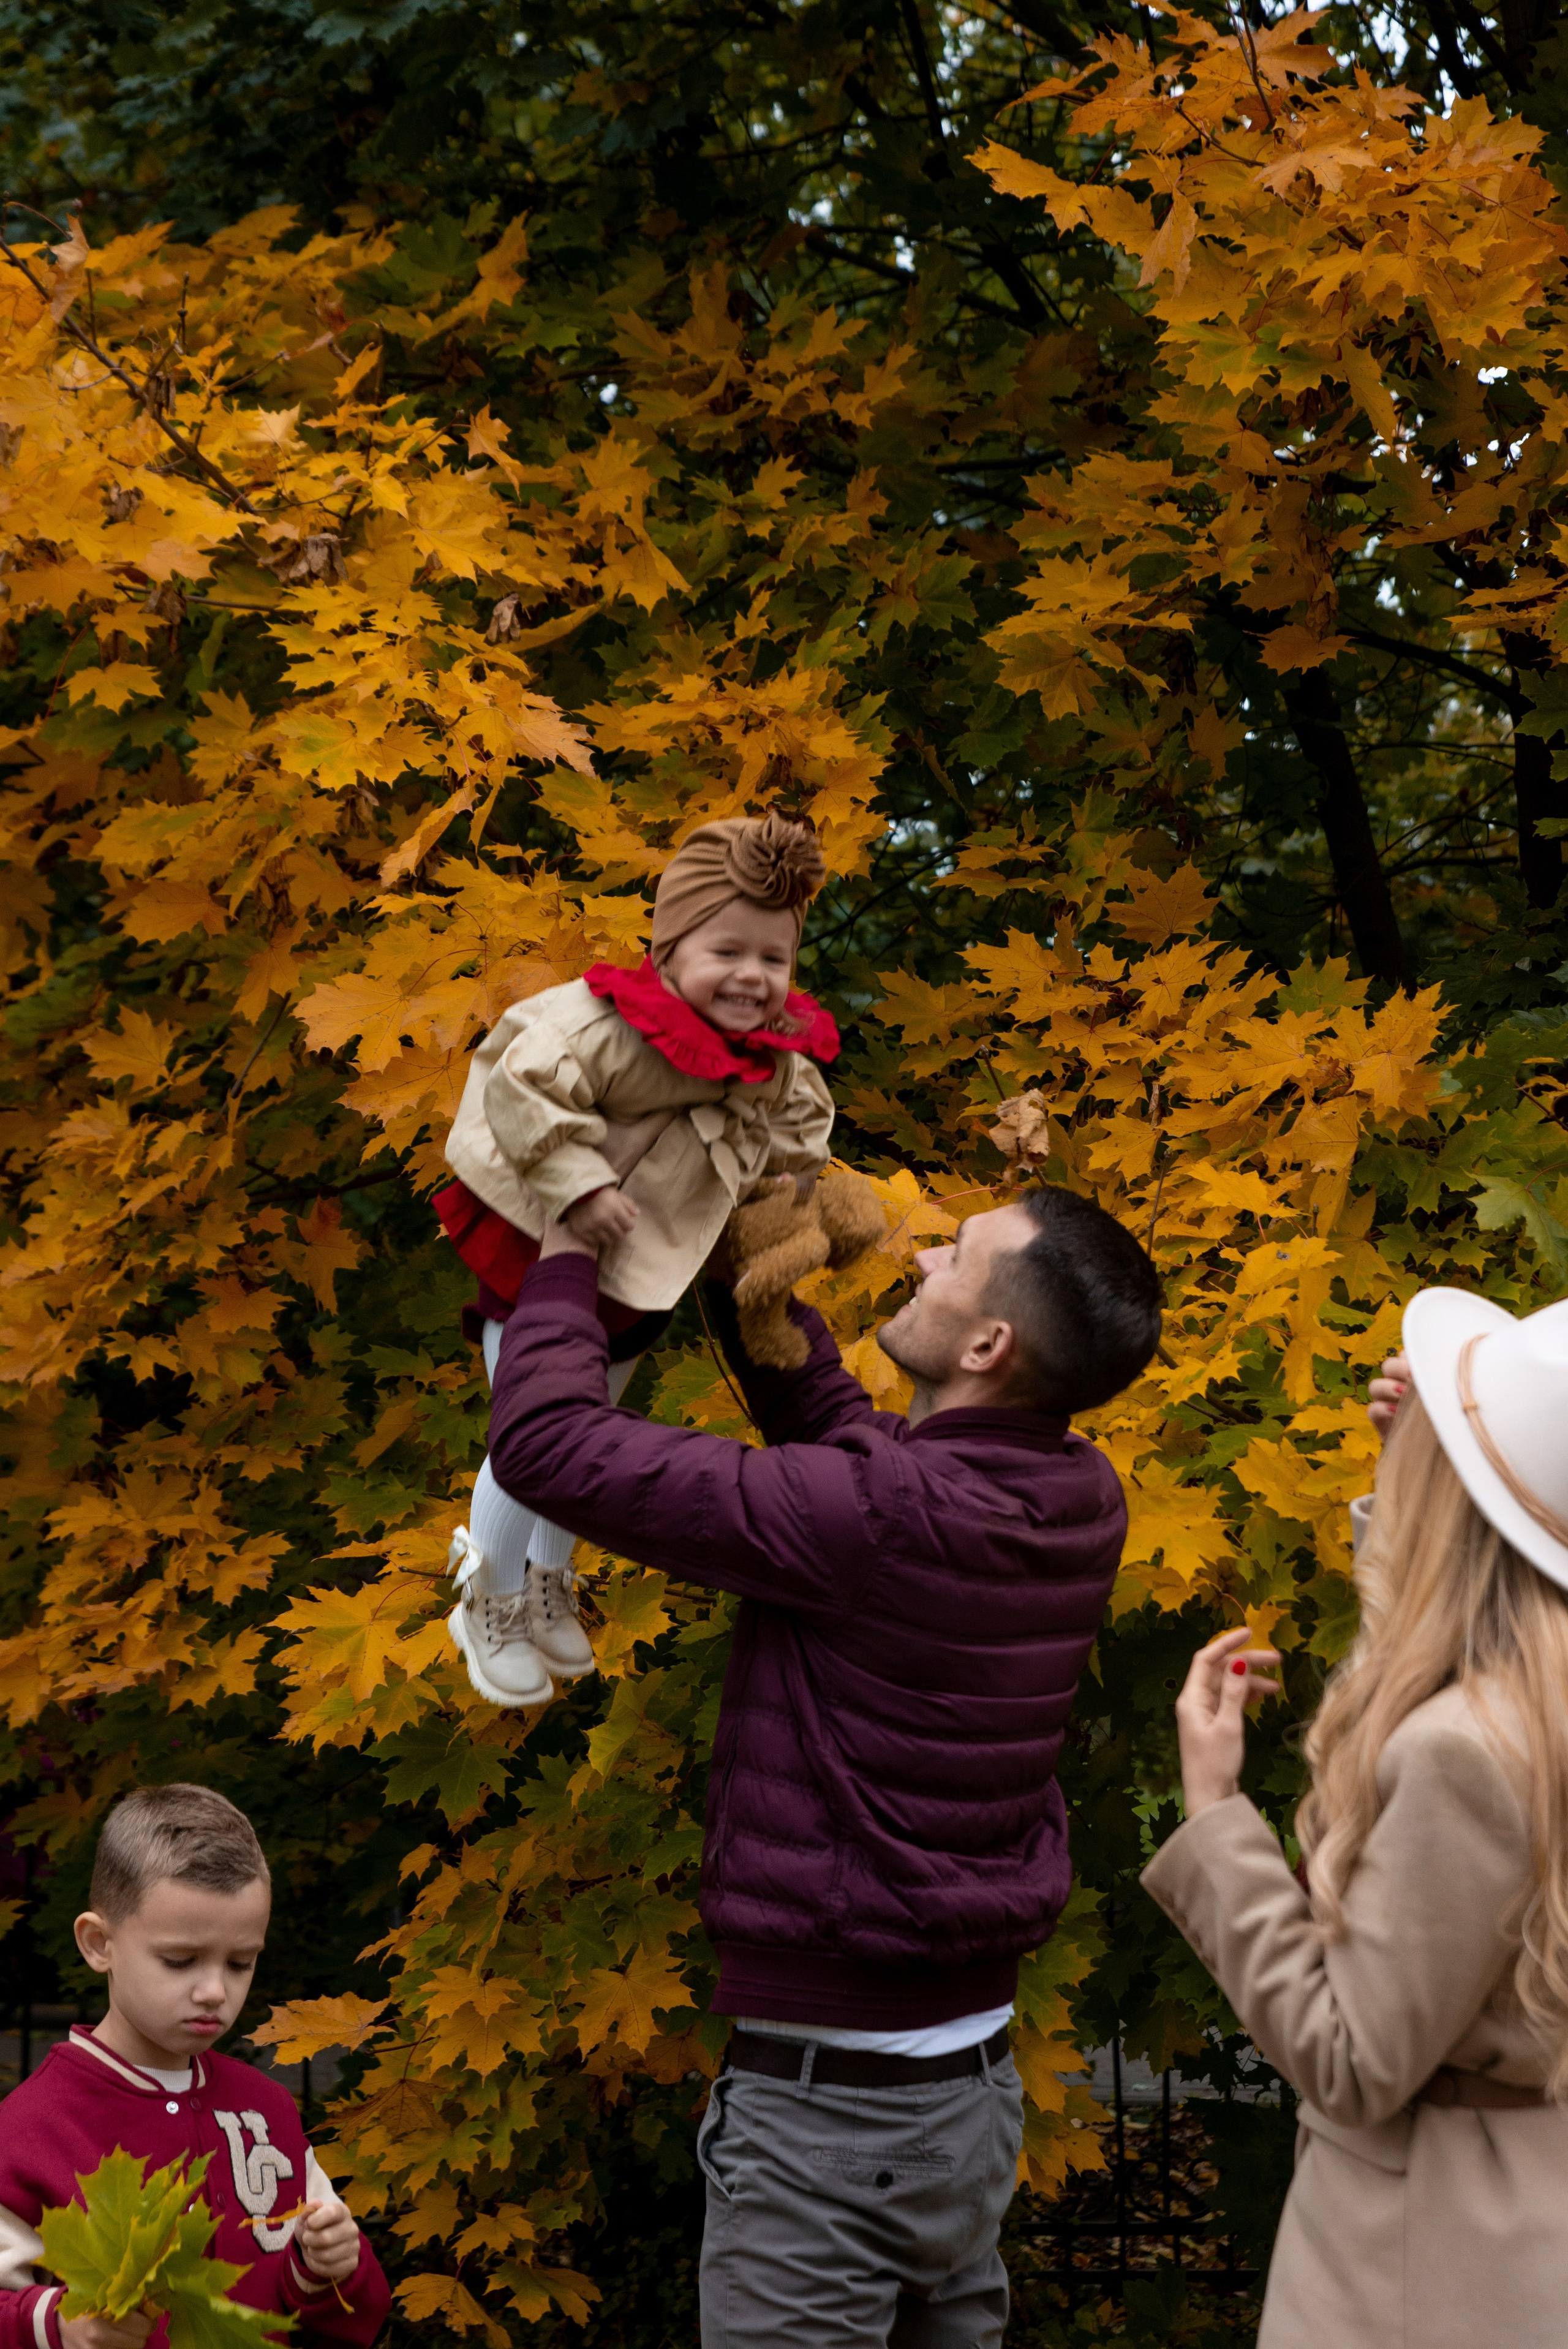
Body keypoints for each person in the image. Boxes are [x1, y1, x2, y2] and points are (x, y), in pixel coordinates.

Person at [485, 1178, 1163, 2346]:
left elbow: (547, 1446)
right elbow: (858, 1458)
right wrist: (753, 1290)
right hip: (966, 2101)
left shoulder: (882, 1515)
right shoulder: (1077, 1494)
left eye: (958, 1258)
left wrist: (559, 1258)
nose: (927, 1254)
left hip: (831, 2130)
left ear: (990, 1343)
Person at [1145, 1286, 1568, 2348]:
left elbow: (1351, 2058)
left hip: (1423, 2265)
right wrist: (1427, 1482)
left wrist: (1214, 1814)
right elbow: (1468, 1641)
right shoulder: (1534, 1707)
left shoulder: (1469, 1754)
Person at [435, 811, 852, 1708]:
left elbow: (799, 1119)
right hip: (546, 1247)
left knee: (594, 1421)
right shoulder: (602, 1022)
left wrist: (790, 1184)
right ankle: (489, 1593)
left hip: (650, 1258)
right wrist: (580, 1179)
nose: (752, 976)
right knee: (535, 1430)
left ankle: (548, 1570)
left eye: (773, 960)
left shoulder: (770, 1051)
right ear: (668, 950)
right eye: (727, 951)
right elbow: (525, 1082)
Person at [0, 1784, 391, 2349]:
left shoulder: (268, 2110)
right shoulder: (29, 2129)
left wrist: (325, 2266)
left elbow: (348, 2323)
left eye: (240, 1962)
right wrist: (59, 2325)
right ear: (97, 1943)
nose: (214, 1990)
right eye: (180, 1960)